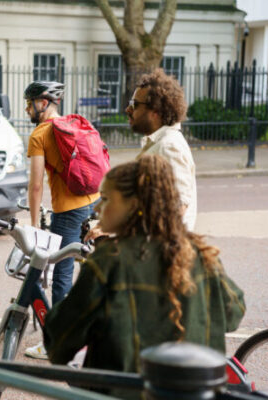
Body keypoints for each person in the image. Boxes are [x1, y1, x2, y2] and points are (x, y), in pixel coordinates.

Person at [43, 155, 245, 399]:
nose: (96, 208)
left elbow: (61, 339)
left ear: (134, 204)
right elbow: (233, 313)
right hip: (195, 391)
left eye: (105, 199)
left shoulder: (110, 262)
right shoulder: (199, 254)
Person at [24, 81, 99, 359]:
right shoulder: (73, 125)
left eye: (29, 103)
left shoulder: (40, 134)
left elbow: (35, 186)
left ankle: (57, 343)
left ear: (43, 103)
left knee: (61, 276)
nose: (26, 109)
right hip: (94, 203)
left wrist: (34, 223)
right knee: (91, 269)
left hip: (68, 211)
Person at [127, 68, 196, 230]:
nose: (128, 110)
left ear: (155, 112)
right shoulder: (158, 143)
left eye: (135, 105)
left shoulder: (169, 146)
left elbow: (177, 207)